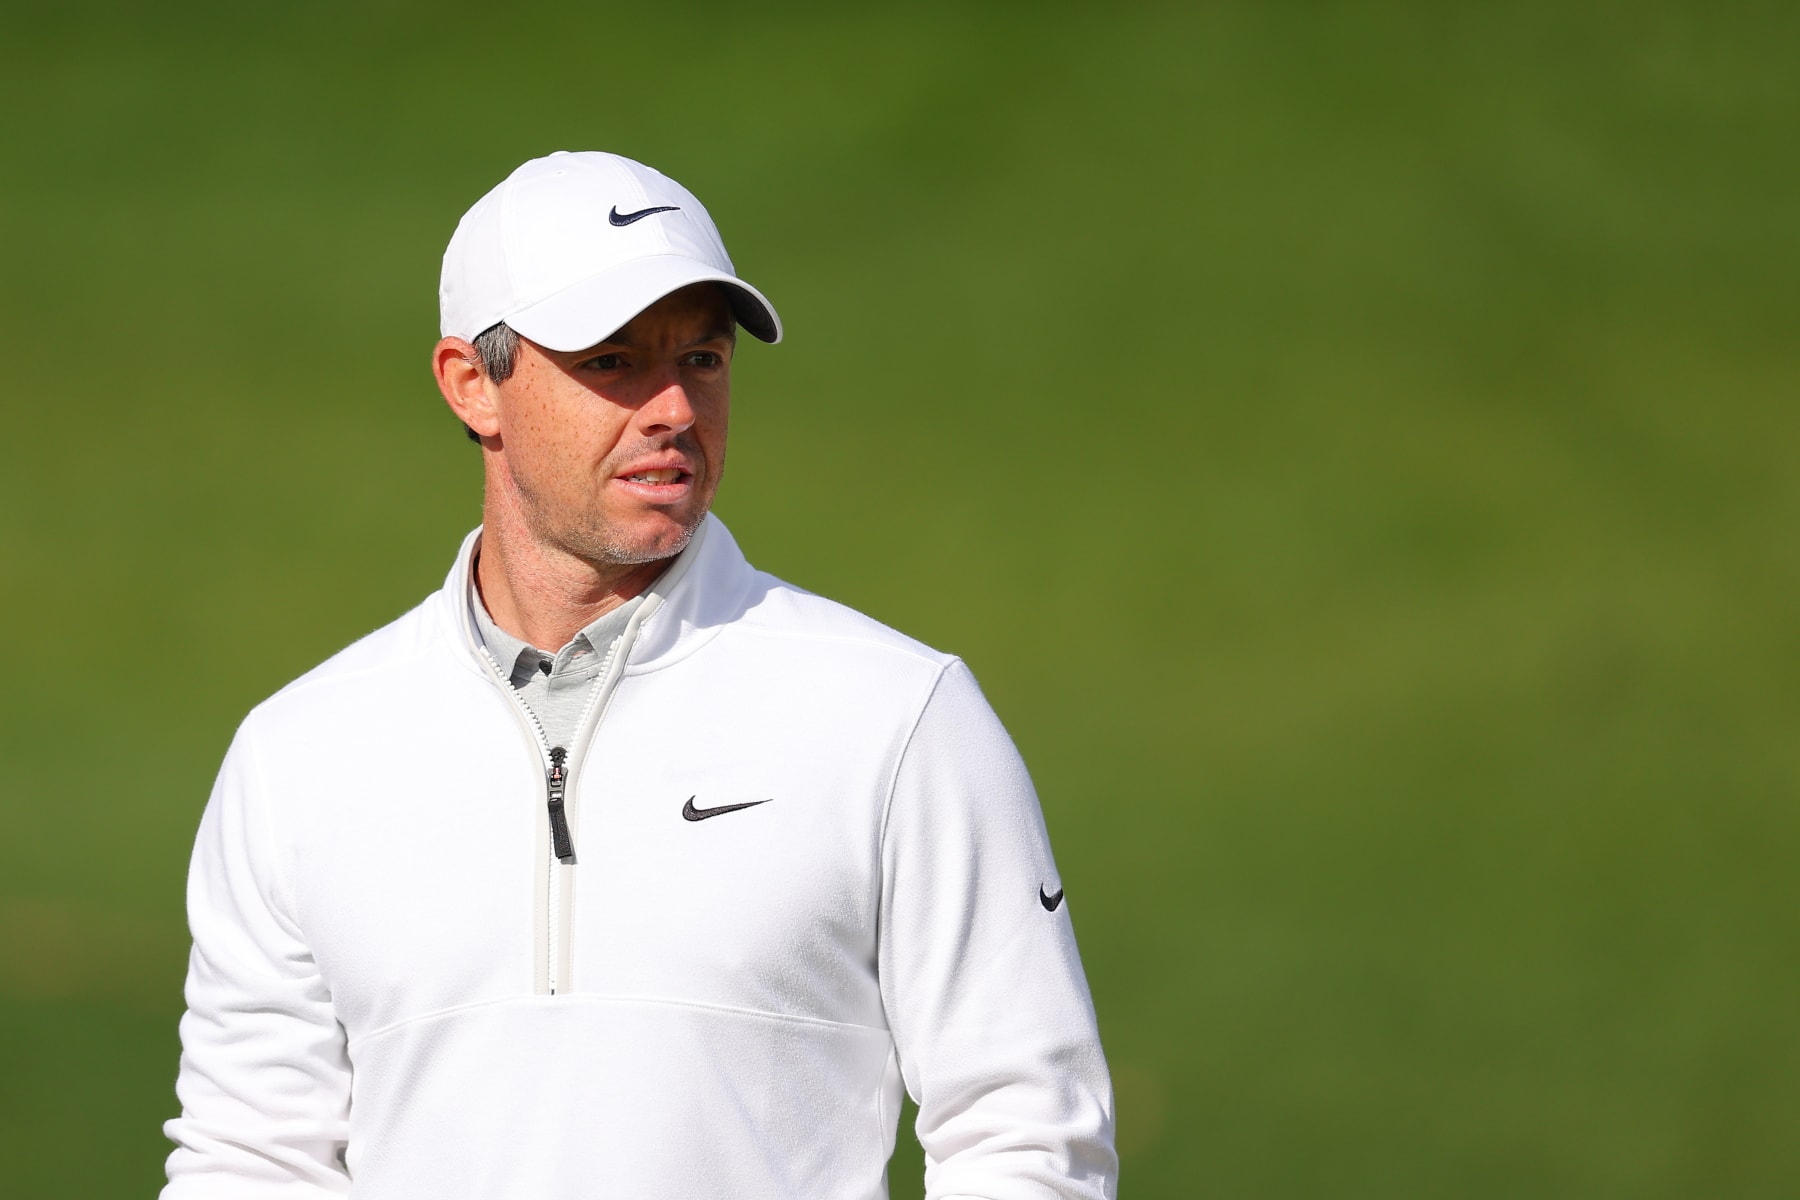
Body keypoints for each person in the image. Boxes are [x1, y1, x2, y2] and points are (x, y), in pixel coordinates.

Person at [162, 150, 1117, 1199]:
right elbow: (249, 1163)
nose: (672, 407)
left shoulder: (899, 716)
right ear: (472, 384)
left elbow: (1026, 1138)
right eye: (614, 362)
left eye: (702, 360)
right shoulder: (302, 755)